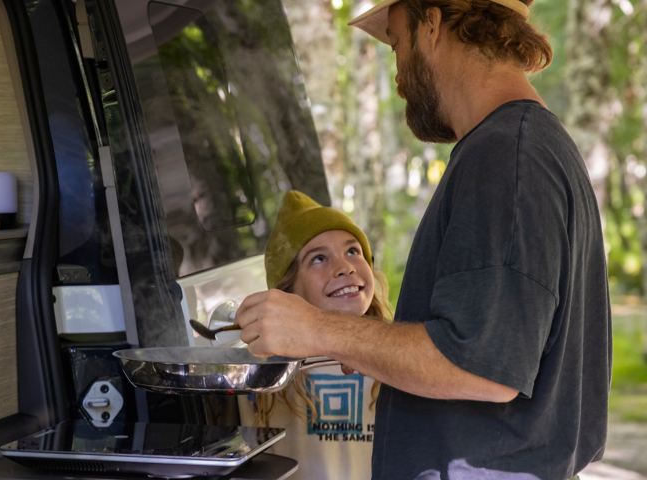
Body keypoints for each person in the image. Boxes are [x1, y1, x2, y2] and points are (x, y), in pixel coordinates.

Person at [235, 1, 611, 479]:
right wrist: (363, 346)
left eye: (396, 43)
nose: (397, 76)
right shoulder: (525, 144)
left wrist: (318, 329)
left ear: (431, 24)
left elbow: (482, 366)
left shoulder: (505, 157)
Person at [239, 189, 393, 480]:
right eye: (319, 259)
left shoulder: (397, 356)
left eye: (353, 251)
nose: (345, 267)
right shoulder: (261, 375)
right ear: (287, 293)